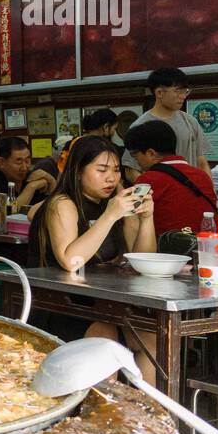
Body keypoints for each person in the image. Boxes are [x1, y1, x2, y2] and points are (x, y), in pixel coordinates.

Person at [26, 135, 157, 379]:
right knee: (104, 343)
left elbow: (142, 261)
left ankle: (143, 413)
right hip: (60, 304)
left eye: (116, 170)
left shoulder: (112, 204)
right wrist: (110, 216)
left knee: (152, 340)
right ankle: (100, 413)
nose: (111, 178)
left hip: (103, 303)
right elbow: (70, 261)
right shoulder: (62, 204)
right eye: (101, 170)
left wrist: (146, 219)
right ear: (77, 171)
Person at [124, 119, 218, 235]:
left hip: (169, 249)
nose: (135, 160)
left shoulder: (147, 180)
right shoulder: (202, 175)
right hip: (207, 244)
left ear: (151, 153)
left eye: (135, 155)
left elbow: (132, 219)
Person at [121, 68, 209, 181]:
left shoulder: (190, 121)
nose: (183, 96)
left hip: (191, 193)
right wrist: (154, 192)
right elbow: (131, 170)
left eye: (185, 91)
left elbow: (202, 162)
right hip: (161, 194)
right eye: (178, 91)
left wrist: (211, 194)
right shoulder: (140, 126)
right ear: (159, 93)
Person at [0, 136, 55, 212]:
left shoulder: (32, 176)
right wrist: (31, 187)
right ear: (2, 162)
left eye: (27, 161)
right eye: (18, 162)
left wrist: (50, 179)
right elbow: (6, 213)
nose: (24, 167)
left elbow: (55, 203)